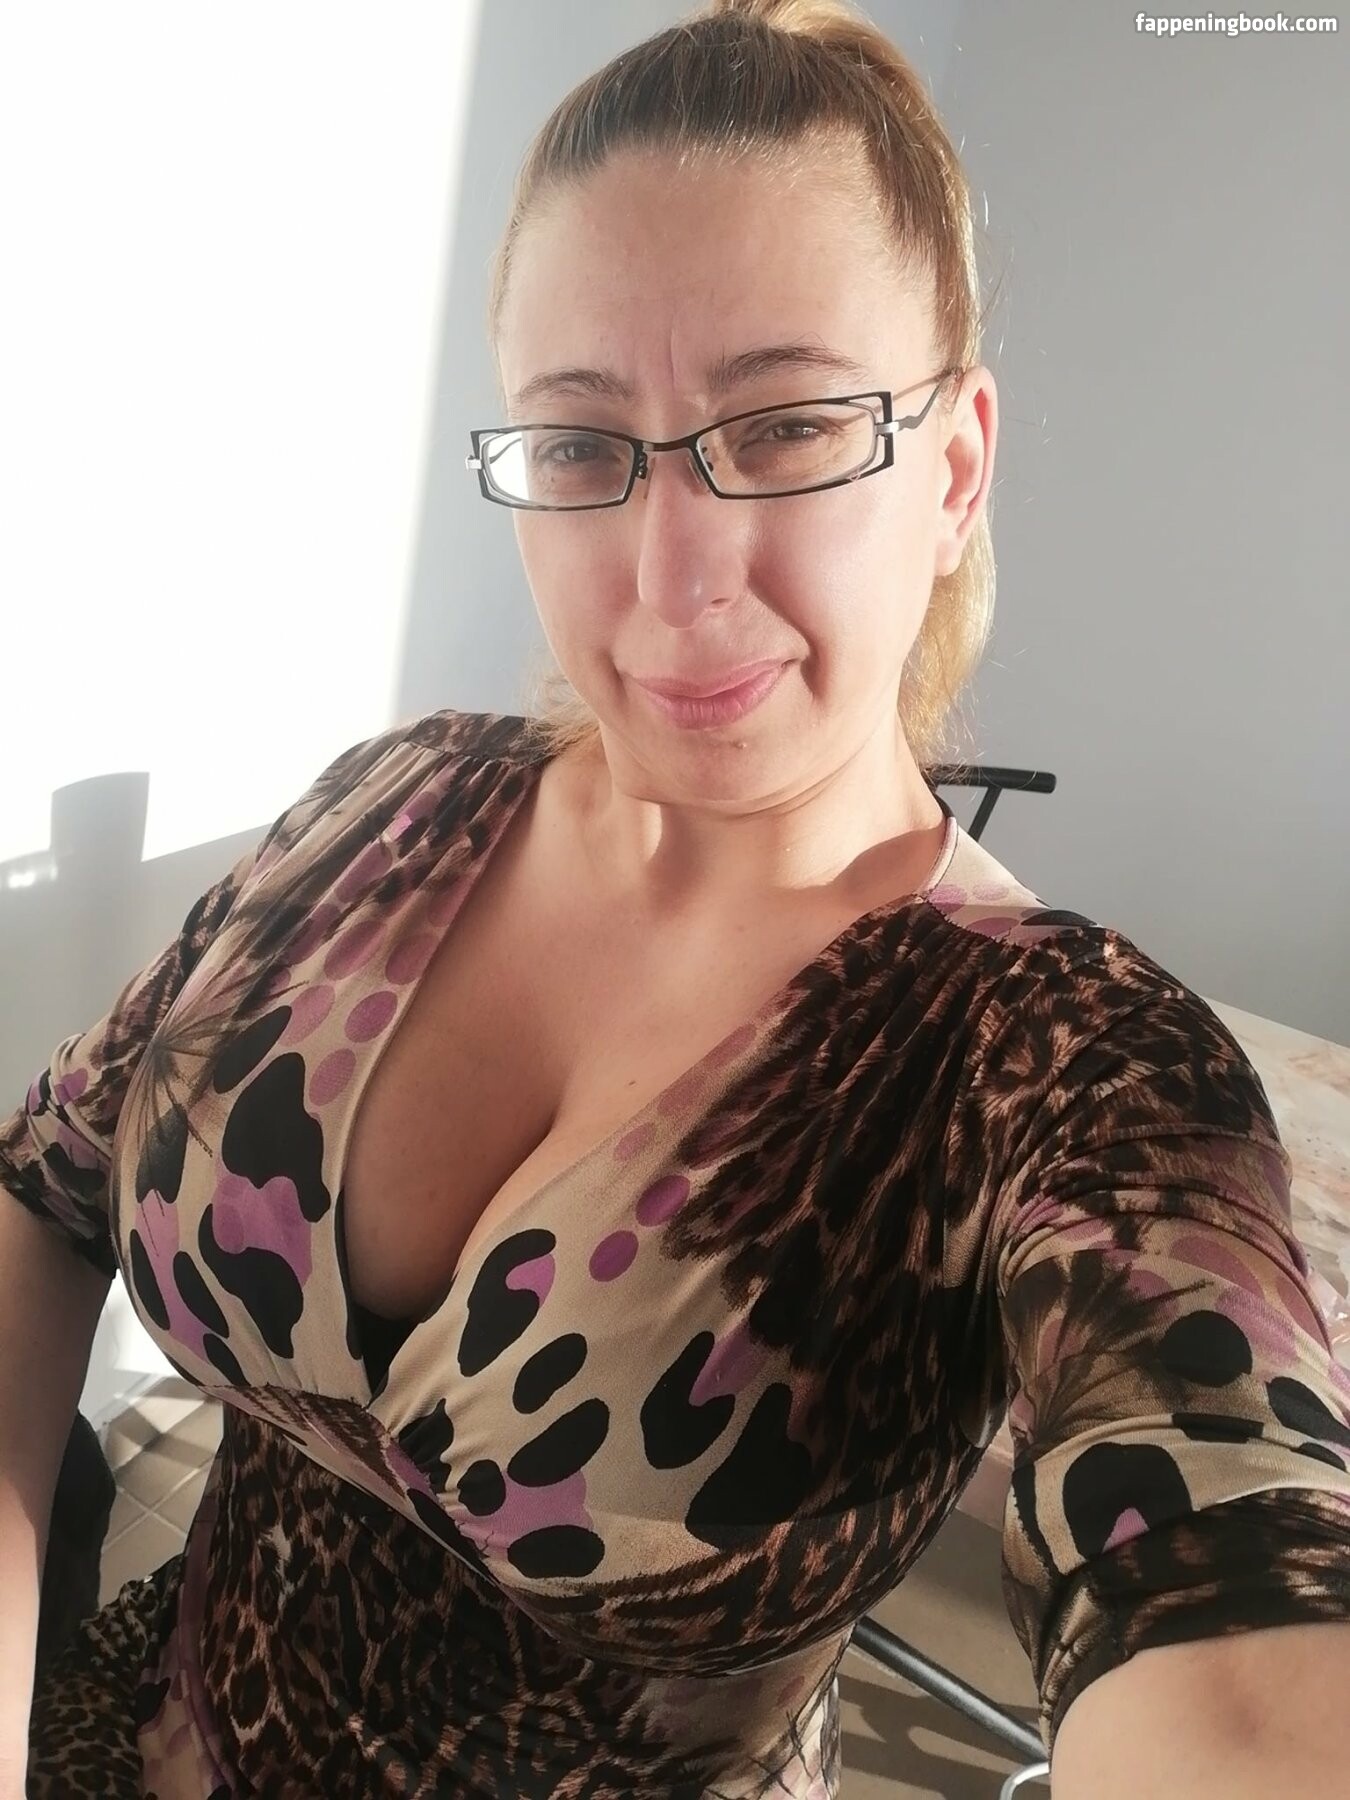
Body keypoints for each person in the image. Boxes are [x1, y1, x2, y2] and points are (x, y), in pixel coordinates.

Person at [6, 0, 1350, 1793]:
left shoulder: (1063, 1066)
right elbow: (45, 1185)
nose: (671, 576)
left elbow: (1237, 1631)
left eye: (784, 427)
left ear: (953, 470)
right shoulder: (391, 803)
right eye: (579, 448)